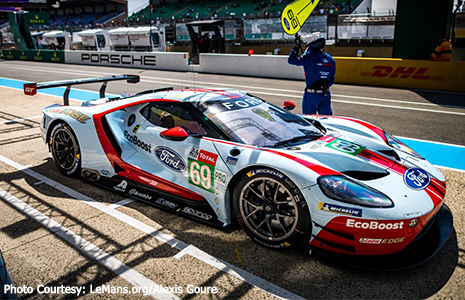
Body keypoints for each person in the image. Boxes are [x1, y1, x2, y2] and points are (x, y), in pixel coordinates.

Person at [288, 33, 336, 115]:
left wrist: (296, 47)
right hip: (325, 94)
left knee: (309, 120)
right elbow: (331, 79)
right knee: (327, 120)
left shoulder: (309, 56)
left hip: (312, 94)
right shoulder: (330, 59)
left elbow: (291, 60)